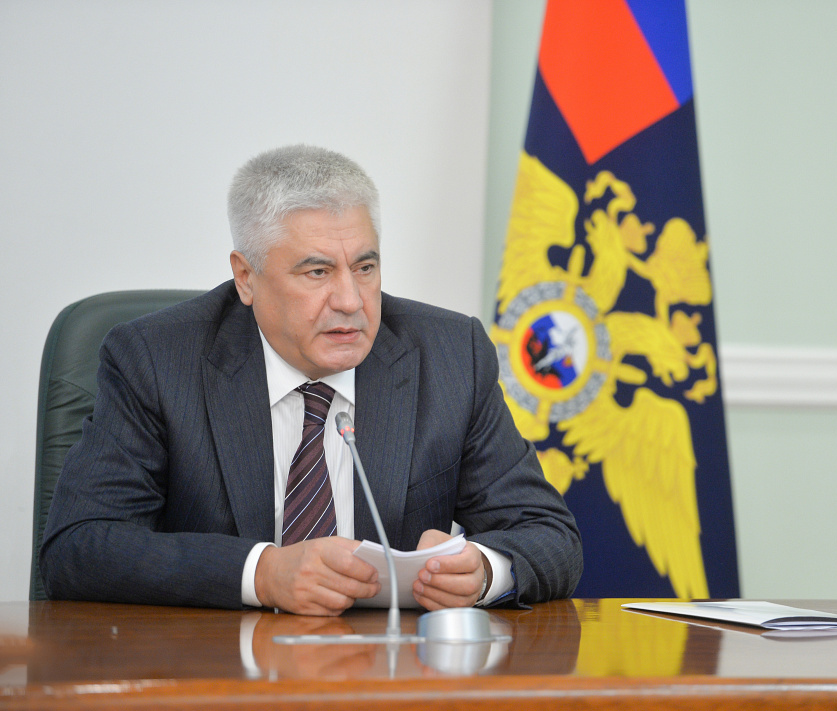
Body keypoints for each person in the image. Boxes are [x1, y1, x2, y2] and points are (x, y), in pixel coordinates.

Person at [40, 144, 582, 615]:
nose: (350, 301)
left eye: (365, 268)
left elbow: (550, 534)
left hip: (390, 675)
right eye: (317, 272)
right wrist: (262, 574)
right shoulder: (157, 359)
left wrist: (484, 571)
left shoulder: (449, 356)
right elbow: (79, 546)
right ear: (246, 277)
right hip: (218, 673)